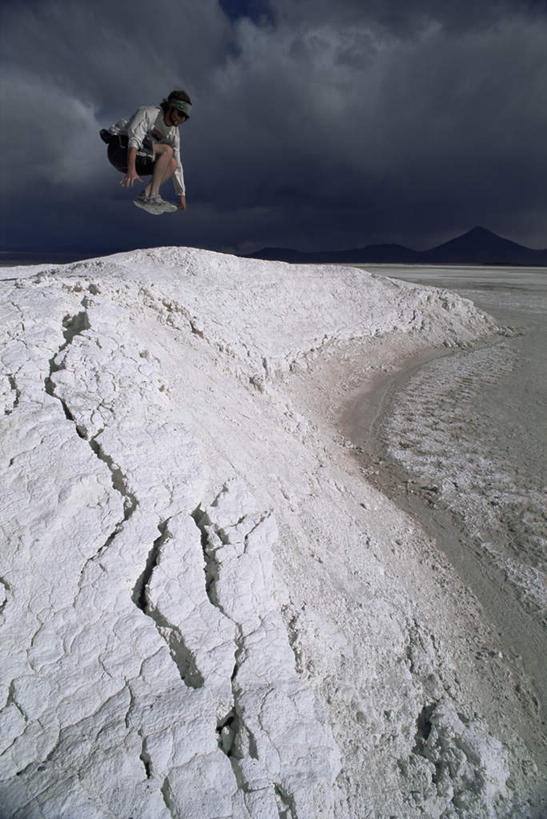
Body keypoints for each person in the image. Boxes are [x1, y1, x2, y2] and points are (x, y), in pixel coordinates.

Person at [100, 89, 192, 214]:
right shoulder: (149, 113)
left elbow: (178, 165)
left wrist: (181, 195)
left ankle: (145, 196)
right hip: (120, 149)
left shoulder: (174, 133)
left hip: (139, 158)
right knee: (167, 150)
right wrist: (131, 169)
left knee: (173, 163)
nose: (182, 119)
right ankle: (153, 196)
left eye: (185, 117)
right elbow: (134, 139)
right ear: (171, 106)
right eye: (180, 114)